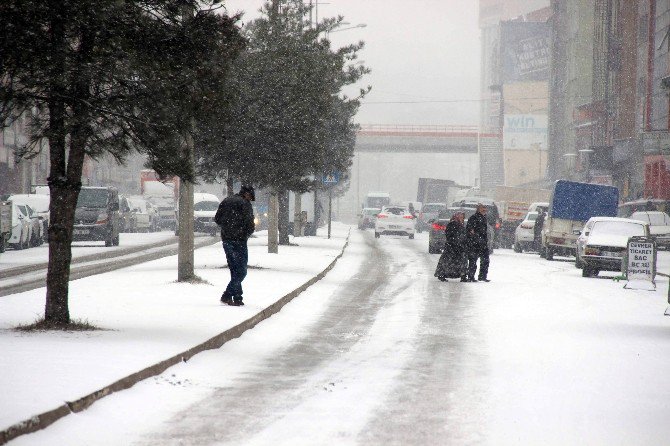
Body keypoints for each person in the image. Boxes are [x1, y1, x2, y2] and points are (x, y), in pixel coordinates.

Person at [214, 185, 256, 306]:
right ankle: (227, 295)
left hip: (227, 239)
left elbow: (217, 219)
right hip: (240, 241)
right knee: (241, 271)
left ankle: (237, 297)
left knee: (234, 270)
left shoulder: (226, 201)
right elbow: (250, 224)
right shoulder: (245, 204)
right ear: (247, 194)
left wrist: (227, 228)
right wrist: (245, 233)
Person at [434, 211, 468, 282]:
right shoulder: (452, 224)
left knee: (459, 261)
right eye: (460, 217)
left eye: (462, 217)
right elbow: (449, 235)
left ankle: (462, 276)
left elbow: (463, 235)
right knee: (448, 261)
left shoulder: (460, 224)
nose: (462, 218)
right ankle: (442, 275)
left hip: (459, 247)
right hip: (452, 247)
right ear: (456, 217)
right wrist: (456, 241)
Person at [466, 204, 490, 282]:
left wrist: (484, 240)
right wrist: (475, 238)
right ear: (478, 209)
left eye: (485, 209)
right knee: (473, 260)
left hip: (483, 243)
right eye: (482, 208)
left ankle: (482, 276)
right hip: (475, 243)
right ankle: (471, 276)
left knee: (485, 260)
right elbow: (470, 230)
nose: (484, 210)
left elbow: (484, 231)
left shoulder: (484, 218)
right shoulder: (473, 218)